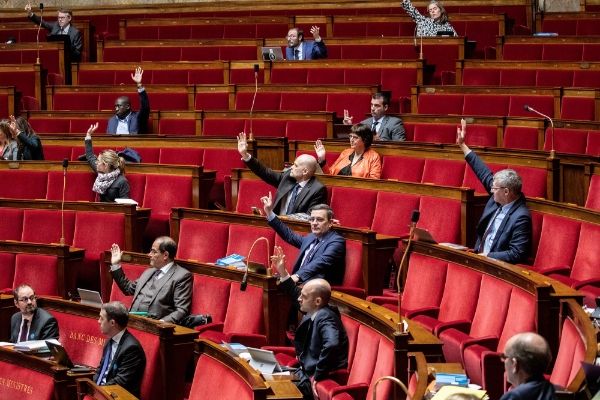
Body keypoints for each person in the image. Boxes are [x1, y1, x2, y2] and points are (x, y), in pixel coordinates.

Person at [271, 246, 349, 400]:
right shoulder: (315, 310)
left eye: (304, 296)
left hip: (309, 379)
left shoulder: (326, 317)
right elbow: (296, 296)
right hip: (302, 372)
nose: (300, 299)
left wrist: (318, 375)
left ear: (318, 301)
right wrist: (283, 272)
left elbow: (332, 344)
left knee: (268, 389)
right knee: (264, 375)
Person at [457, 119, 532, 264]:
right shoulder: (498, 196)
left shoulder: (521, 217)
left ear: (506, 191)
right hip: (479, 258)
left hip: (495, 267)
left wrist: (487, 257)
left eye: (494, 188)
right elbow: (482, 171)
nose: (491, 190)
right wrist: (463, 145)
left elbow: (516, 254)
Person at [261, 193, 345, 285]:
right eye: (312, 219)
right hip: (299, 285)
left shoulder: (336, 241)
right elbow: (289, 236)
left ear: (330, 223)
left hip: (317, 290)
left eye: (319, 220)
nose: (314, 223)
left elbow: (321, 261)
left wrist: (297, 276)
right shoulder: (310, 237)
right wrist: (269, 212)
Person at [237, 132, 327, 216]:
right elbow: (264, 172)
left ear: (305, 171)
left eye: (295, 166)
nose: (291, 168)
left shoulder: (318, 190)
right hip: (276, 225)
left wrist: (273, 216)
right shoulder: (287, 177)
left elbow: (309, 218)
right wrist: (245, 155)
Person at [110, 237, 192, 324]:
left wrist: (160, 324)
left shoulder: (181, 276)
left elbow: (181, 310)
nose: (149, 254)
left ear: (165, 255)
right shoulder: (149, 271)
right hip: (131, 321)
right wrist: (115, 265)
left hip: (153, 326)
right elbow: (128, 288)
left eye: (154, 252)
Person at [93, 301, 146, 398]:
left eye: (102, 318)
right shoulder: (110, 339)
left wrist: (99, 391)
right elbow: (101, 368)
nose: (98, 321)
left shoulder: (132, 348)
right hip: (104, 392)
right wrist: (93, 387)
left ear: (112, 323)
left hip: (119, 396)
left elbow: (121, 382)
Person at [500, 332, 555, 400]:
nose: (504, 362)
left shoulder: (514, 397)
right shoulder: (559, 393)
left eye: (504, 357)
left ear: (515, 364)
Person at [315, 124, 382, 179]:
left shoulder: (373, 157)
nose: (351, 140)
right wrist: (322, 159)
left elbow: (374, 183)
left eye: (355, 137)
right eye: (350, 136)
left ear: (365, 140)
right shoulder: (346, 152)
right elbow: (330, 174)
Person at [85, 123, 130, 202]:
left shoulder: (122, 181)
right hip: (100, 211)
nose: (96, 163)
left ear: (106, 165)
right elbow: (90, 156)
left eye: (98, 161)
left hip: (114, 212)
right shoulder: (101, 174)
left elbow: (125, 205)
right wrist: (88, 135)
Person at [107, 67, 150, 135]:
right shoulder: (112, 120)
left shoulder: (138, 118)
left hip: (133, 145)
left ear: (127, 106)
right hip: (116, 145)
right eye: (115, 106)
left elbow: (145, 107)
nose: (116, 109)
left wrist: (139, 85)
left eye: (119, 106)